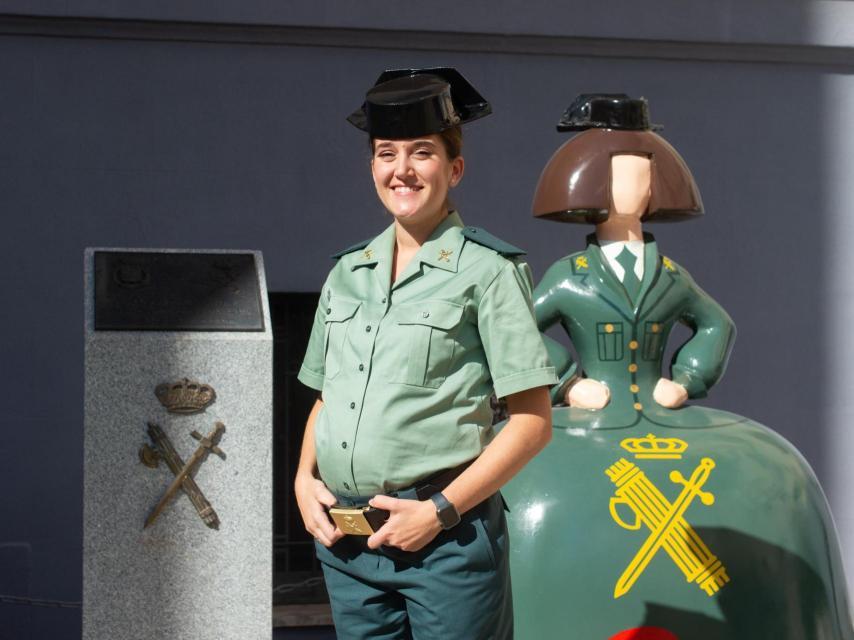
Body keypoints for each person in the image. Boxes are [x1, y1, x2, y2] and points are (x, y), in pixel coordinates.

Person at [502, 94, 854, 639]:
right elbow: (517, 332)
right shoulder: (571, 274)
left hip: (662, 400)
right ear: (595, 183)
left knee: (780, 475)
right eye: (625, 174)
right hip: (594, 403)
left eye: (645, 174)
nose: (638, 186)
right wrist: (568, 384)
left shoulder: (671, 274)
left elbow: (717, 324)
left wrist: (686, 379)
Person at [294, 67, 556, 640]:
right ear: (372, 168)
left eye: (422, 153)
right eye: (386, 154)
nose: (402, 170)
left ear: (454, 168)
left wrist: (438, 511)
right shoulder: (347, 273)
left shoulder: (487, 273)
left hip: (445, 547)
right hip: (348, 548)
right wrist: (301, 479)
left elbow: (533, 423)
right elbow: (326, 397)